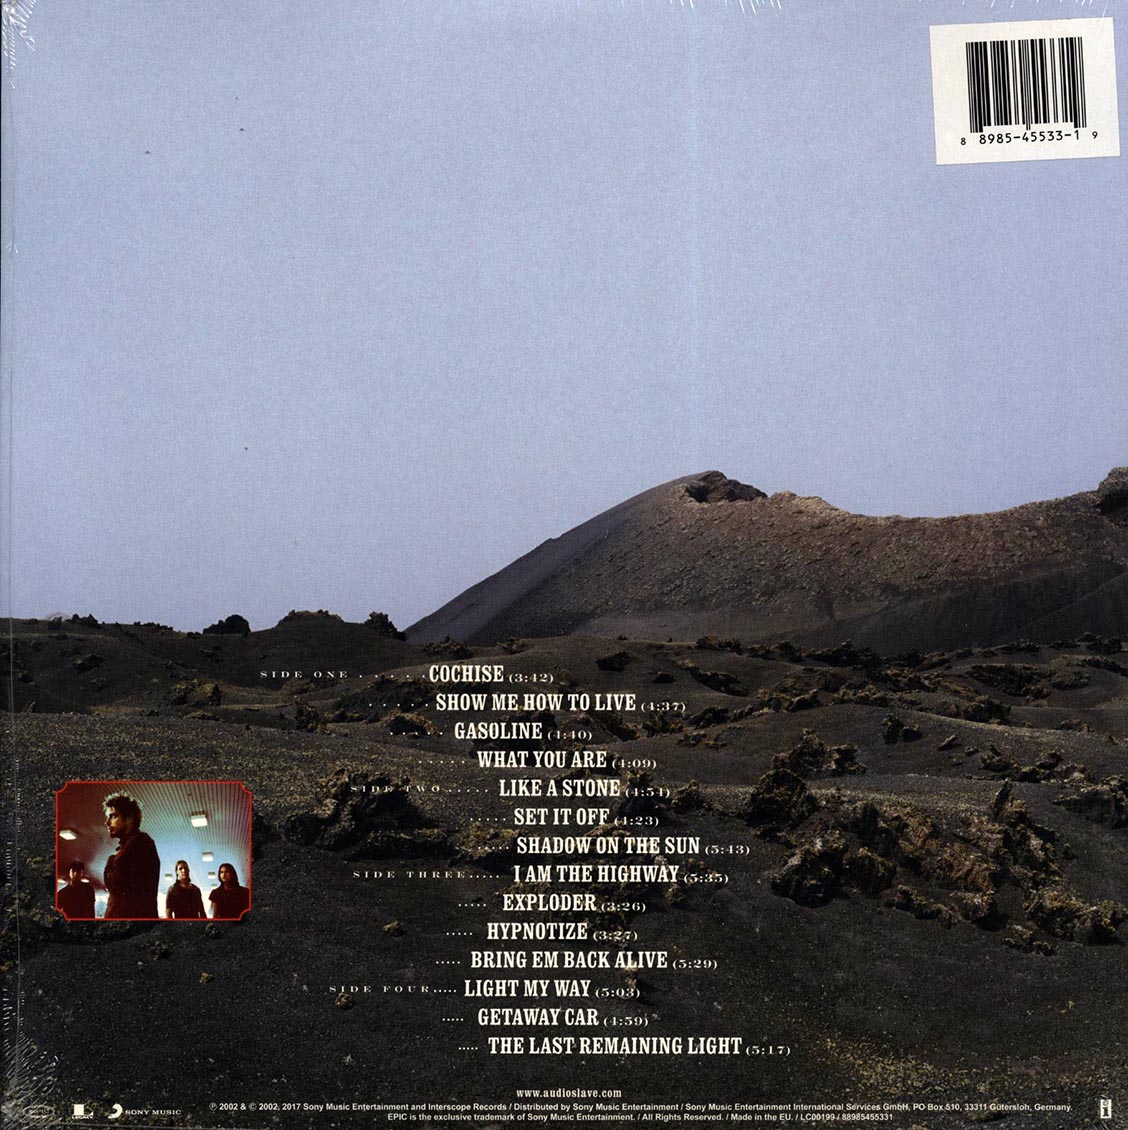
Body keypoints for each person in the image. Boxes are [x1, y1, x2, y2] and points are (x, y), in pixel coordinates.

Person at [102, 792, 160, 919]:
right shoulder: (131, 844)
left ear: (129, 818)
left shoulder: (139, 842)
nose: (107, 822)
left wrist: (111, 860)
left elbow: (114, 884)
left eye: (113, 816)